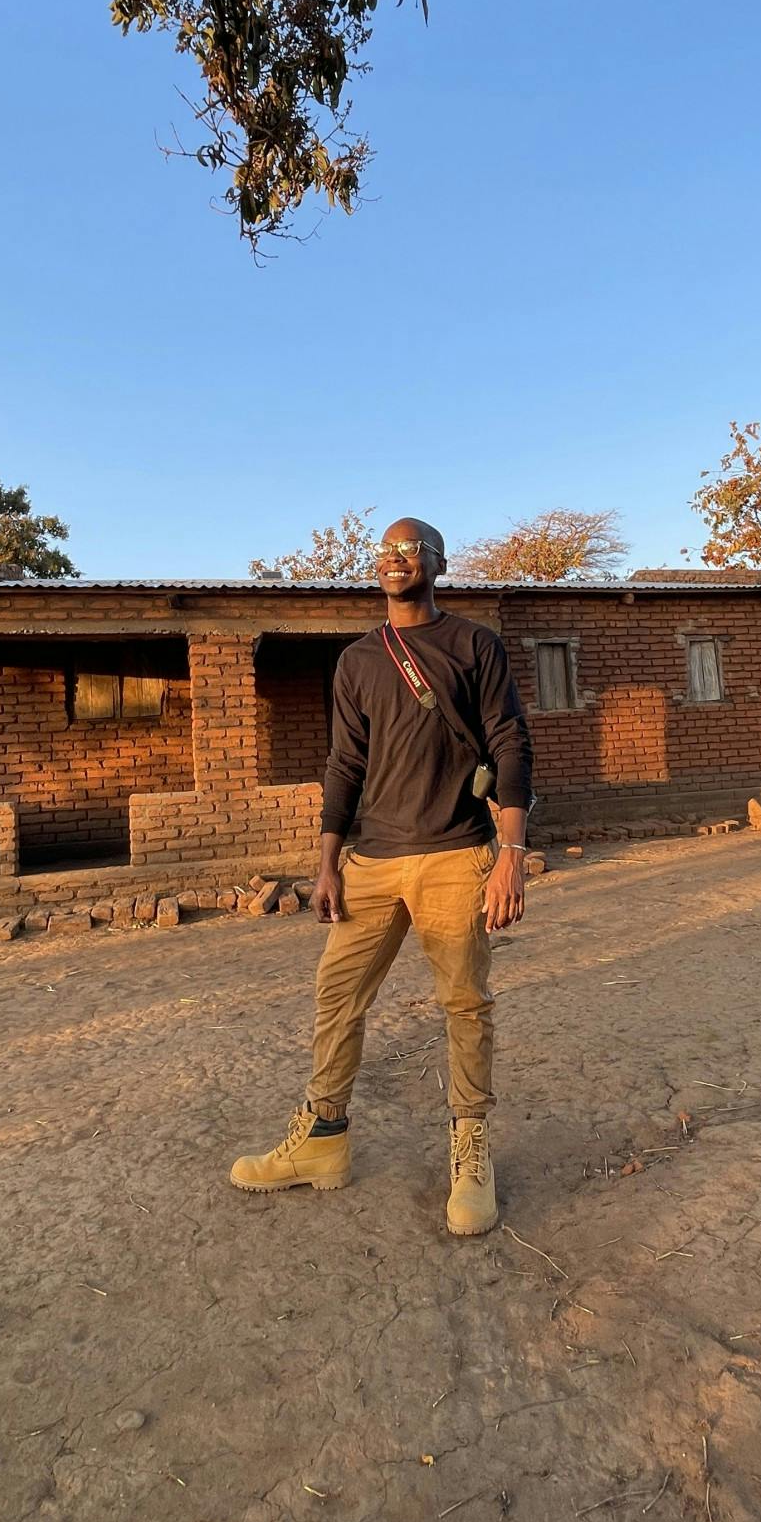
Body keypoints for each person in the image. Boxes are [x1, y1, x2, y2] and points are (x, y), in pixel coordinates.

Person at [230, 518, 535, 1235]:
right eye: (386, 551)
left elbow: (510, 744)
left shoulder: (473, 646)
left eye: (410, 549)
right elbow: (345, 764)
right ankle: (323, 1140)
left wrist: (512, 855)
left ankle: (471, 1152)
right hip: (371, 861)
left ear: (437, 562)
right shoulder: (359, 661)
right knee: (336, 996)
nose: (396, 558)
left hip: (457, 855)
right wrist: (328, 859)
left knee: (465, 1006)